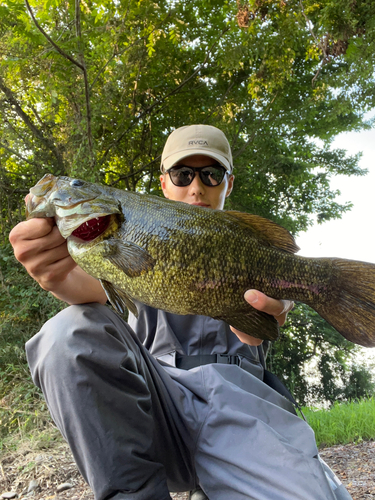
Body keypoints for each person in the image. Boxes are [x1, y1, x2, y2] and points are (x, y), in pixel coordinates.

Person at [9, 125, 352, 500]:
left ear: (228, 184)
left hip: (242, 405)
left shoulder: (244, 243)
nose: (196, 187)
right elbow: (84, 290)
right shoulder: (122, 238)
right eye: (183, 173)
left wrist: (283, 302)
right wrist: (52, 273)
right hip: (157, 407)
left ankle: (218, 484)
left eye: (212, 174)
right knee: (65, 332)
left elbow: (270, 309)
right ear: (163, 182)